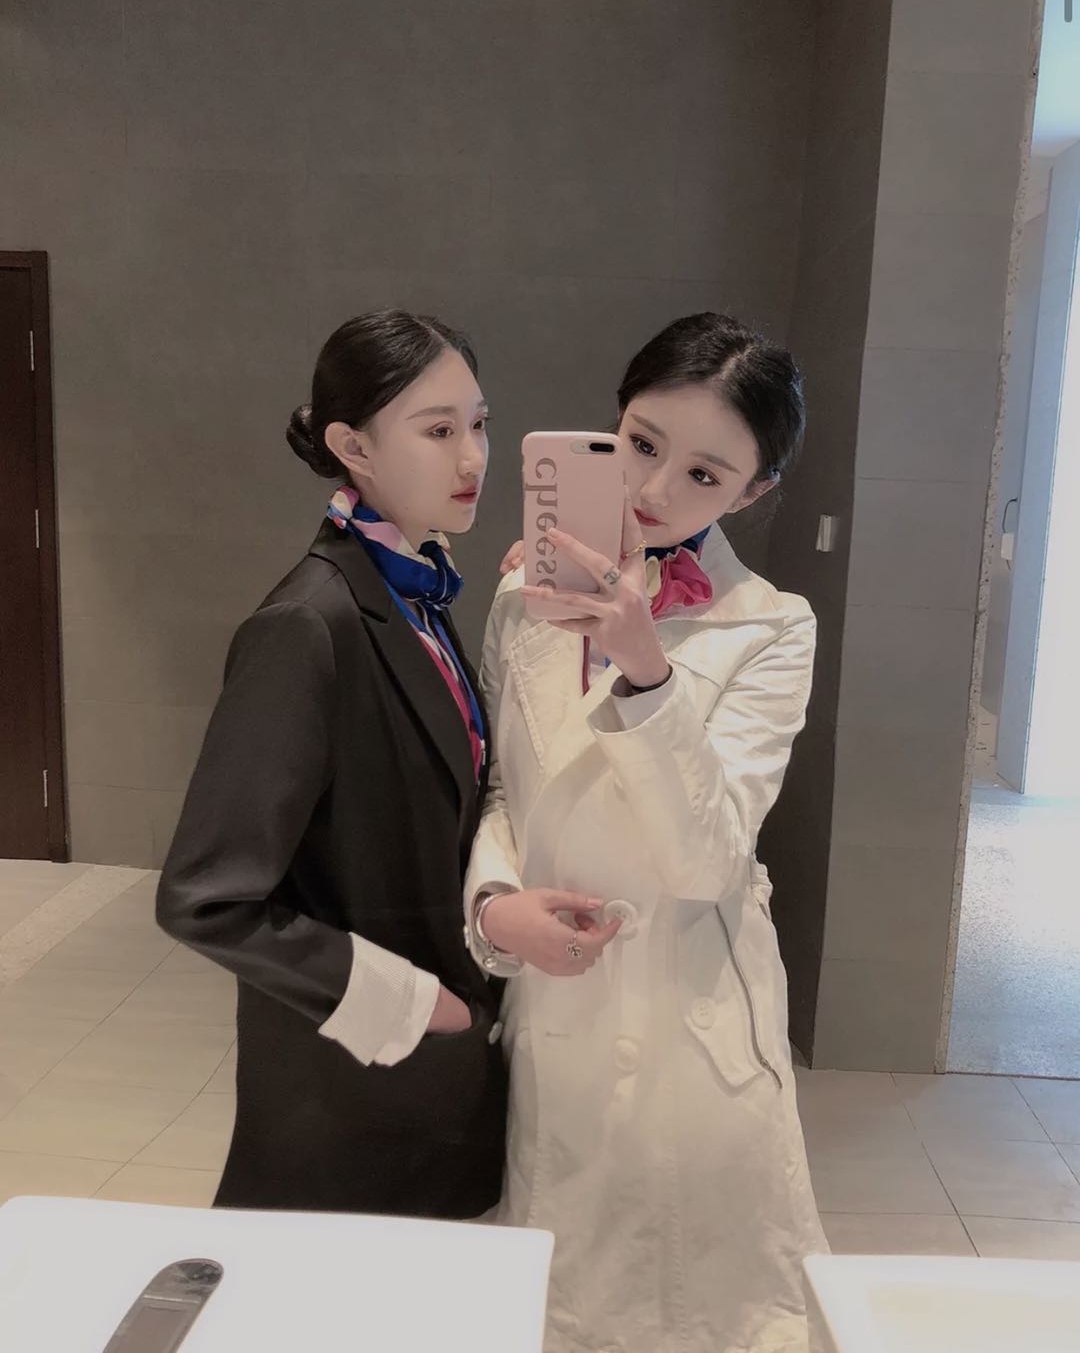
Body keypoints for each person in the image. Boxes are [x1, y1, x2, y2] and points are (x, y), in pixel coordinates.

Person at [465, 312, 828, 1352]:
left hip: (691, 1027)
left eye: (705, 474)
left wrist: (646, 669)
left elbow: (707, 857)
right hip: (560, 1016)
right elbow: (502, 789)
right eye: (642, 442)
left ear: (751, 492)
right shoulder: (519, 599)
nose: (655, 488)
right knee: (558, 1310)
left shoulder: (771, 627)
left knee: (705, 1316)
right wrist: (493, 907)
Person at [157, 308, 506, 1217]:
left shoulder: (416, 591)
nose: (473, 457)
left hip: (430, 1082)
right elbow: (205, 898)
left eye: (479, 424)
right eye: (438, 430)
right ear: (354, 447)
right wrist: (416, 1008)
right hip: (349, 1090)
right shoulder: (306, 625)